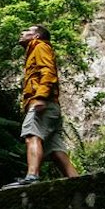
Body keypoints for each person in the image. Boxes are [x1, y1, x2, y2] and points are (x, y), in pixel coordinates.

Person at [13, 24, 77, 186]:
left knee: (32, 135)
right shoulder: (35, 50)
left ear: (36, 36)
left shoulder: (40, 47)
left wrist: (40, 97)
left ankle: (32, 176)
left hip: (42, 103)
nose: (23, 32)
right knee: (55, 150)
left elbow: (48, 72)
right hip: (51, 106)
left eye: (27, 31)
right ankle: (78, 182)